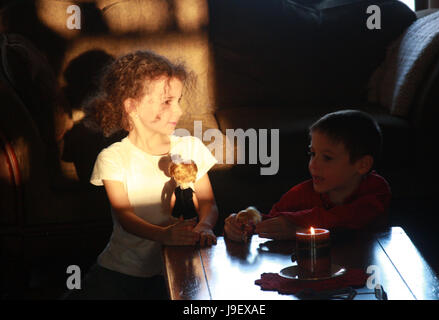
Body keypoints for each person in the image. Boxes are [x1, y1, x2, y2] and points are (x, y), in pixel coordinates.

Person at [64, 50, 218, 299]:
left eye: (178, 100)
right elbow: (125, 216)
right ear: (131, 106)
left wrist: (205, 226)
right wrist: (165, 235)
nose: (178, 111)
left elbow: (208, 202)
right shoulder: (113, 158)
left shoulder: (190, 147)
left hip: (177, 266)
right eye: (167, 102)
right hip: (123, 272)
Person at [224, 109, 391, 242]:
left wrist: (296, 229)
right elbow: (274, 220)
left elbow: (345, 219)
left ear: (362, 165)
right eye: (312, 154)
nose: (313, 164)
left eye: (327, 157)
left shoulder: (376, 190)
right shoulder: (303, 192)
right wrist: (242, 224)